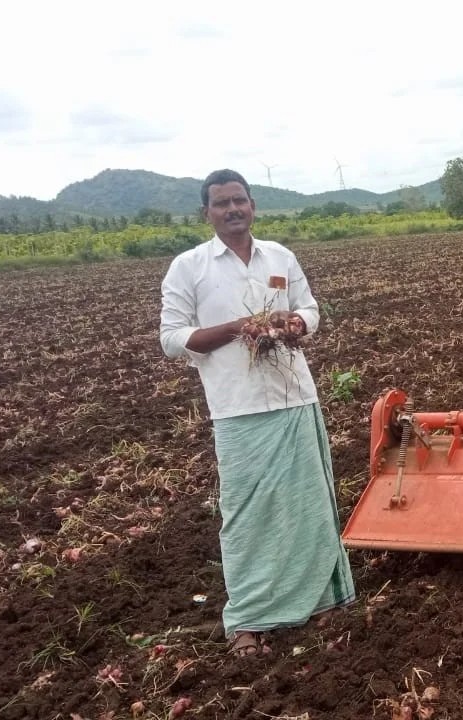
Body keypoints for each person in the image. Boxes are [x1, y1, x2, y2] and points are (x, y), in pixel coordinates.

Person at [159, 168, 356, 658]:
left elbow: (310, 310)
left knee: (309, 505)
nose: (232, 209)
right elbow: (171, 339)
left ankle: (323, 600)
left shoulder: (280, 257)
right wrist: (238, 328)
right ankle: (248, 617)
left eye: (239, 201)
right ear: (206, 212)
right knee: (245, 515)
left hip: (294, 396)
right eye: (221, 203)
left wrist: (295, 323)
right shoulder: (190, 267)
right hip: (237, 408)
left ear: (253, 205)